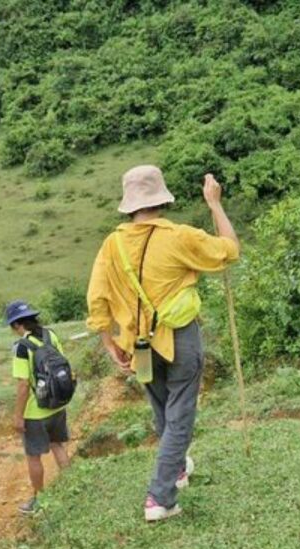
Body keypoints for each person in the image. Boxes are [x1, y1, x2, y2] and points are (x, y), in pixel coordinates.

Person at [86, 165, 239, 522]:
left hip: (137, 342)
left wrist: (109, 342)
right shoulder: (179, 236)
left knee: (162, 407)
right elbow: (229, 250)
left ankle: (178, 470)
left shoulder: (112, 244)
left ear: (129, 204)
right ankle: (160, 498)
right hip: (180, 336)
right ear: (161, 198)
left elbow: (97, 297)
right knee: (180, 413)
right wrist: (214, 204)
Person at [6, 300, 72, 515]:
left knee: (33, 457)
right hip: (57, 403)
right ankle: (72, 487)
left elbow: (23, 385)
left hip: (36, 412)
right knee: (58, 446)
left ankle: (39, 500)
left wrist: (18, 416)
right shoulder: (50, 335)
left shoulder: (22, 348)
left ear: (17, 325)